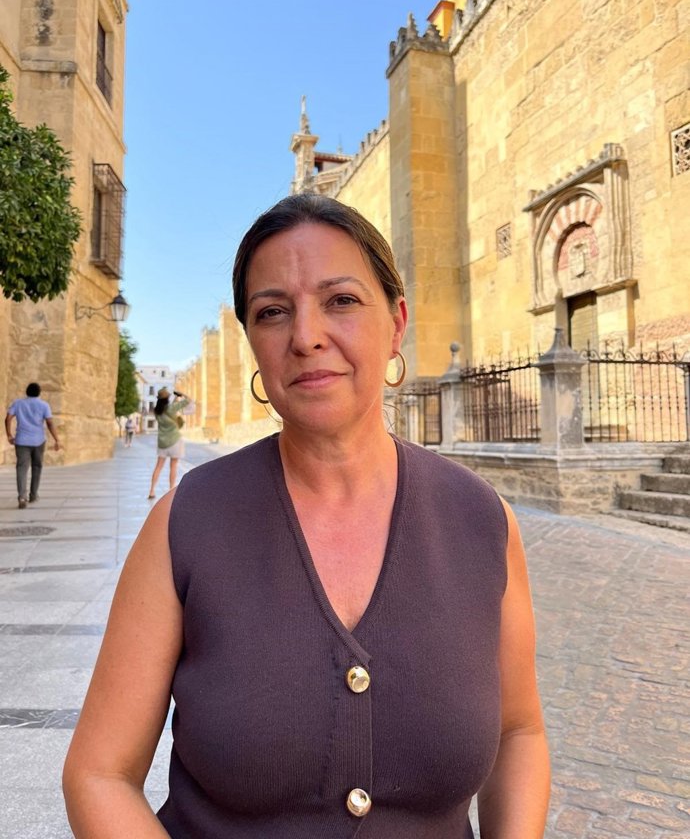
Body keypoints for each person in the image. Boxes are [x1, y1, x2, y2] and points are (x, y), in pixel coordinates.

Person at [63, 194, 550, 837]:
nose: (306, 337)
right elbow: (99, 774)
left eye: (341, 300)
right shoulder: (186, 527)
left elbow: (519, 732)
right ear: (252, 344)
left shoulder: (482, 522)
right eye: (272, 312)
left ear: (396, 322)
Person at [5, 382, 60, 508]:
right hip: (38, 441)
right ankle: (33, 495)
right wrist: (57, 439)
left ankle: (22, 497)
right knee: (37, 467)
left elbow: (8, 418)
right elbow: (50, 423)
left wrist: (9, 435)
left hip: (21, 441)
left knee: (21, 468)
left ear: (27, 392)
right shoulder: (44, 405)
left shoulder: (18, 403)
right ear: (39, 393)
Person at [148, 388, 189, 499]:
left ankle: (151, 491)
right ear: (167, 398)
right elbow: (187, 401)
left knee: (158, 466)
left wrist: (175, 399)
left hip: (162, 442)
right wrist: (181, 394)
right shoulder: (171, 408)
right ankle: (171, 491)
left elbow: (169, 409)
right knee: (173, 466)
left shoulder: (157, 411)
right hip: (175, 441)